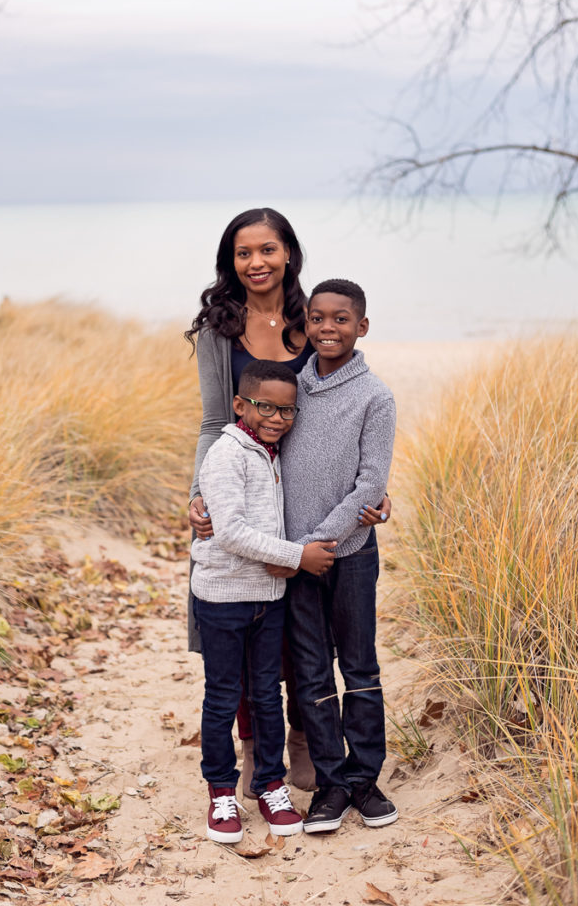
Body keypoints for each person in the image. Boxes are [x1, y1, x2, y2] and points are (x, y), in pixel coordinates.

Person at [185, 207, 391, 795]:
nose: (257, 263)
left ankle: (302, 736)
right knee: (243, 618)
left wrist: (372, 490)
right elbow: (211, 422)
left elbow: (341, 409)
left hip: (306, 501)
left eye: (268, 250)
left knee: (300, 630)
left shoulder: (316, 320)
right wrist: (199, 494)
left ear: (289, 255)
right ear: (231, 260)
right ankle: (256, 746)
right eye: (244, 252)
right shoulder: (216, 333)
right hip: (243, 496)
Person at [191, 359, 337, 843]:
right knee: (223, 697)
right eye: (265, 407)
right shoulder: (226, 454)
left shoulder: (271, 452)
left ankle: (270, 784)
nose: (276, 418)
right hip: (224, 599)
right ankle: (221, 793)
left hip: (268, 599)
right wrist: (298, 557)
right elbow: (229, 532)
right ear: (240, 405)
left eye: (287, 411)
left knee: (266, 696)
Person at [277, 278, 399, 832]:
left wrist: (321, 541)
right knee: (310, 671)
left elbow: (371, 482)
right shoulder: (290, 391)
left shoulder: (375, 396)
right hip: (297, 561)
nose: (328, 328)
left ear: (362, 326)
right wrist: (300, 551)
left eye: (341, 319)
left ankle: (363, 779)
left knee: (359, 664)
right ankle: (329, 782)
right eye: (318, 319)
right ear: (305, 325)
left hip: (348, 555)